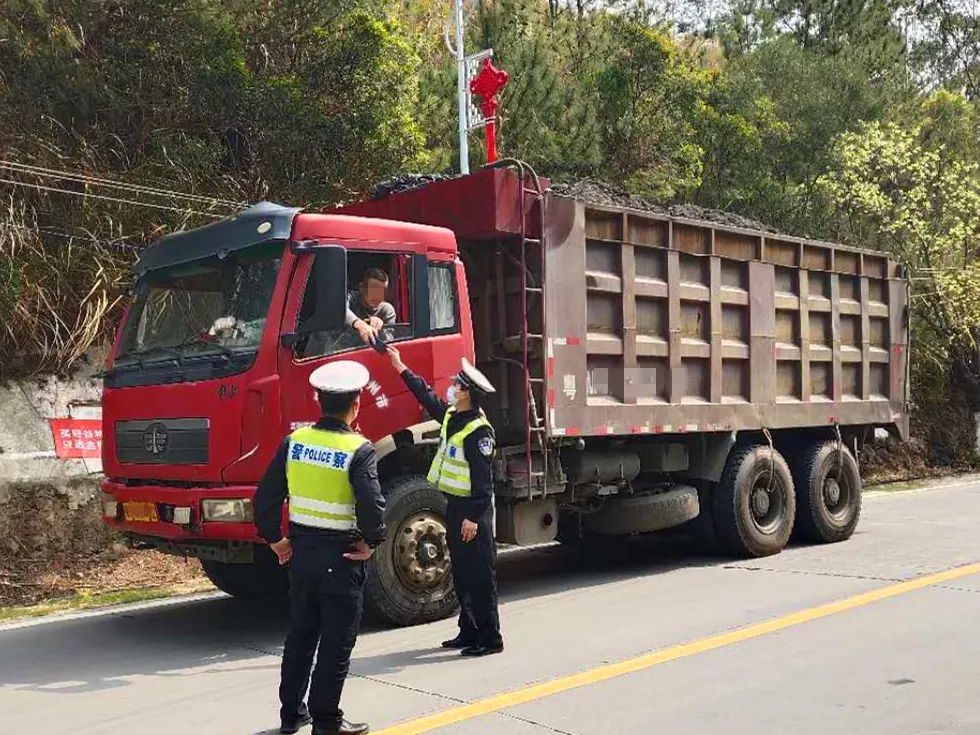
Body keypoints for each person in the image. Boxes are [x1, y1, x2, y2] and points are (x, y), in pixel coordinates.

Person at [254, 360, 386, 735]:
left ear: (318, 401)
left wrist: (275, 540)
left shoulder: (295, 442)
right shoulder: (358, 449)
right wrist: (371, 542)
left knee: (300, 637)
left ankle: (292, 716)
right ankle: (327, 721)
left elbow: (265, 498)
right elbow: (373, 506)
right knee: (335, 644)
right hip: (341, 557)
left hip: (300, 554)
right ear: (356, 405)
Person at [386, 346, 504, 657]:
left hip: (473, 514)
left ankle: (490, 638)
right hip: (455, 507)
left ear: (468, 394)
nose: (452, 388)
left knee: (480, 577)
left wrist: (474, 518)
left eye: (458, 385)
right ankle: (468, 631)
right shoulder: (454, 417)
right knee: (462, 573)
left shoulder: (479, 432)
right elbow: (426, 396)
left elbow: (484, 483)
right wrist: (400, 366)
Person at [346, 267, 396, 344]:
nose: (377, 296)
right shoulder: (351, 298)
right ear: (361, 287)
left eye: (382, 292)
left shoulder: (386, 310)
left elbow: (388, 343)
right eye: (373, 290)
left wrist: (381, 328)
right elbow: (341, 310)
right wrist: (359, 324)